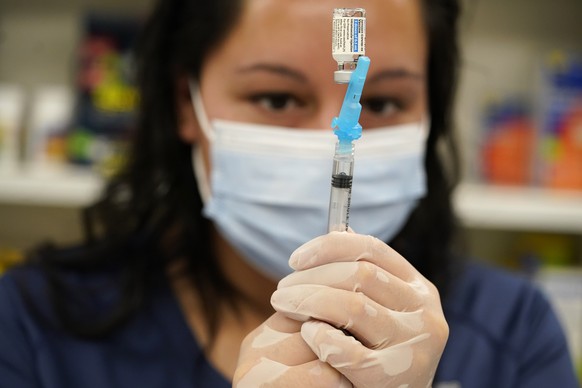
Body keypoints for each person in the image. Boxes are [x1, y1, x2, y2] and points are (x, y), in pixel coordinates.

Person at [0, 0, 578, 386]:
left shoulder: (512, 332)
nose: (335, 141)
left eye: (380, 104)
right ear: (186, 104)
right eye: (277, 99)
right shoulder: (34, 324)